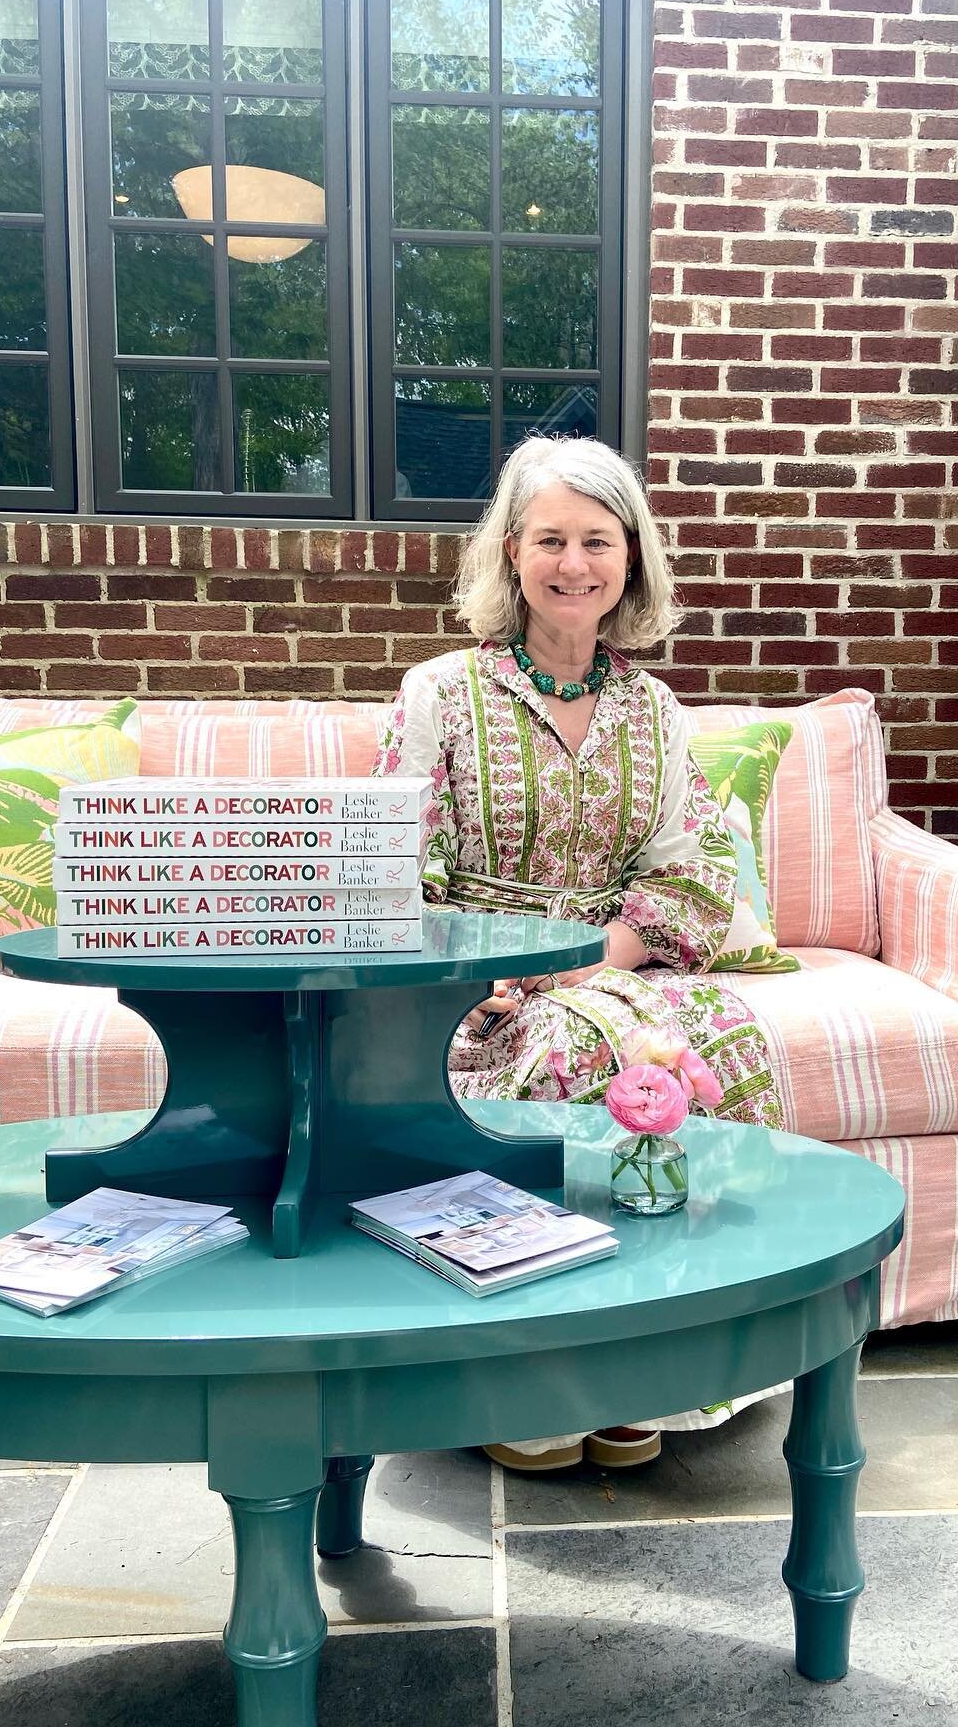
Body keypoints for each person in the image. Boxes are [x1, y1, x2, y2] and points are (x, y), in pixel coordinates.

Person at [373, 435, 784, 1473]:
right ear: (512, 555)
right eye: (549, 539)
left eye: (596, 541)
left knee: (726, 1039)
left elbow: (690, 876)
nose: (573, 564)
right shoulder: (438, 693)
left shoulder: (657, 709)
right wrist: (471, 978)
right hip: (477, 982)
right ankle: (530, 1381)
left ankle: (659, 1370)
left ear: (631, 560)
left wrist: (592, 958)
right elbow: (388, 873)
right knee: (560, 1057)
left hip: (613, 963)